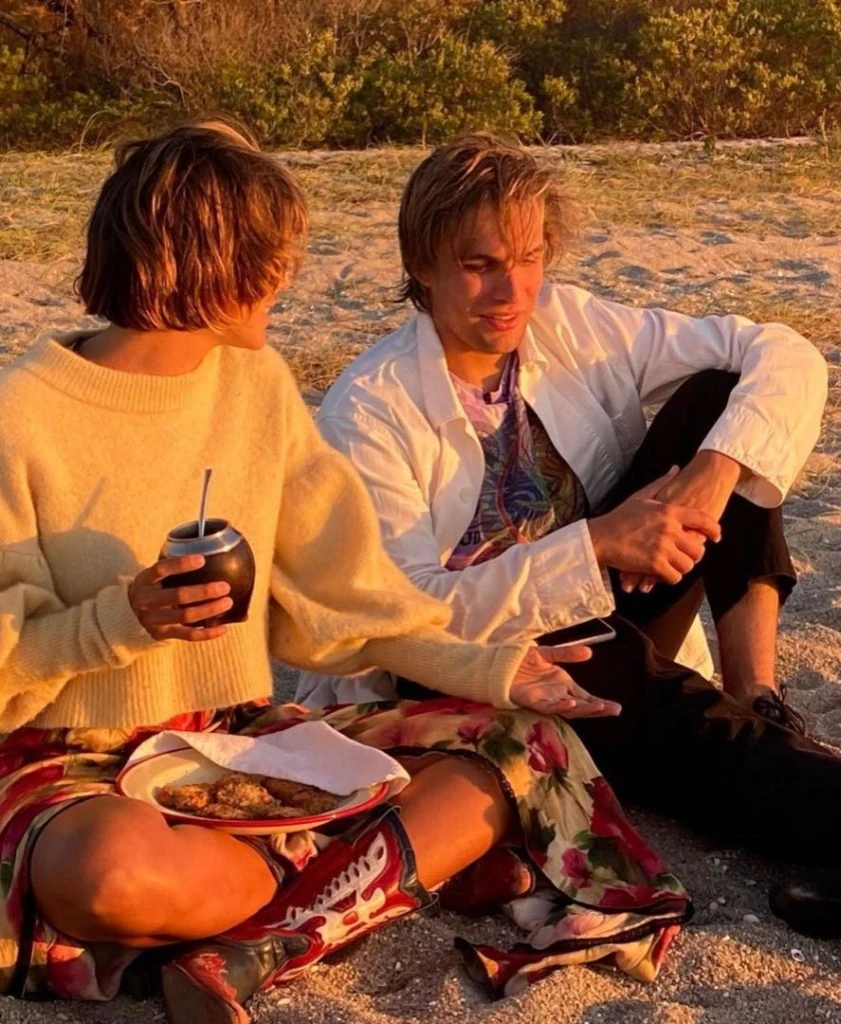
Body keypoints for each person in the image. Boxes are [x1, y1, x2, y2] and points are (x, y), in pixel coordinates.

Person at [0, 121, 691, 1024]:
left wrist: (487, 668)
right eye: (273, 257)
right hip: (70, 764)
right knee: (110, 872)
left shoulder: (255, 388)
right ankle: (346, 886)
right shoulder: (25, 415)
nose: (288, 278)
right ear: (209, 264)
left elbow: (347, 598)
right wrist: (122, 620)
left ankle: (253, 943)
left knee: (510, 750)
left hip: (232, 747)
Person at [300, 132, 841, 892]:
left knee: (722, 398)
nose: (511, 292)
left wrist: (712, 474)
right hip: (480, 658)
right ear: (421, 265)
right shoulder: (369, 410)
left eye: (527, 259)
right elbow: (405, 616)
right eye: (480, 264)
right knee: (688, 726)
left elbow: (786, 352)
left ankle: (757, 694)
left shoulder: (568, 324)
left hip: (607, 598)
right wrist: (594, 547)